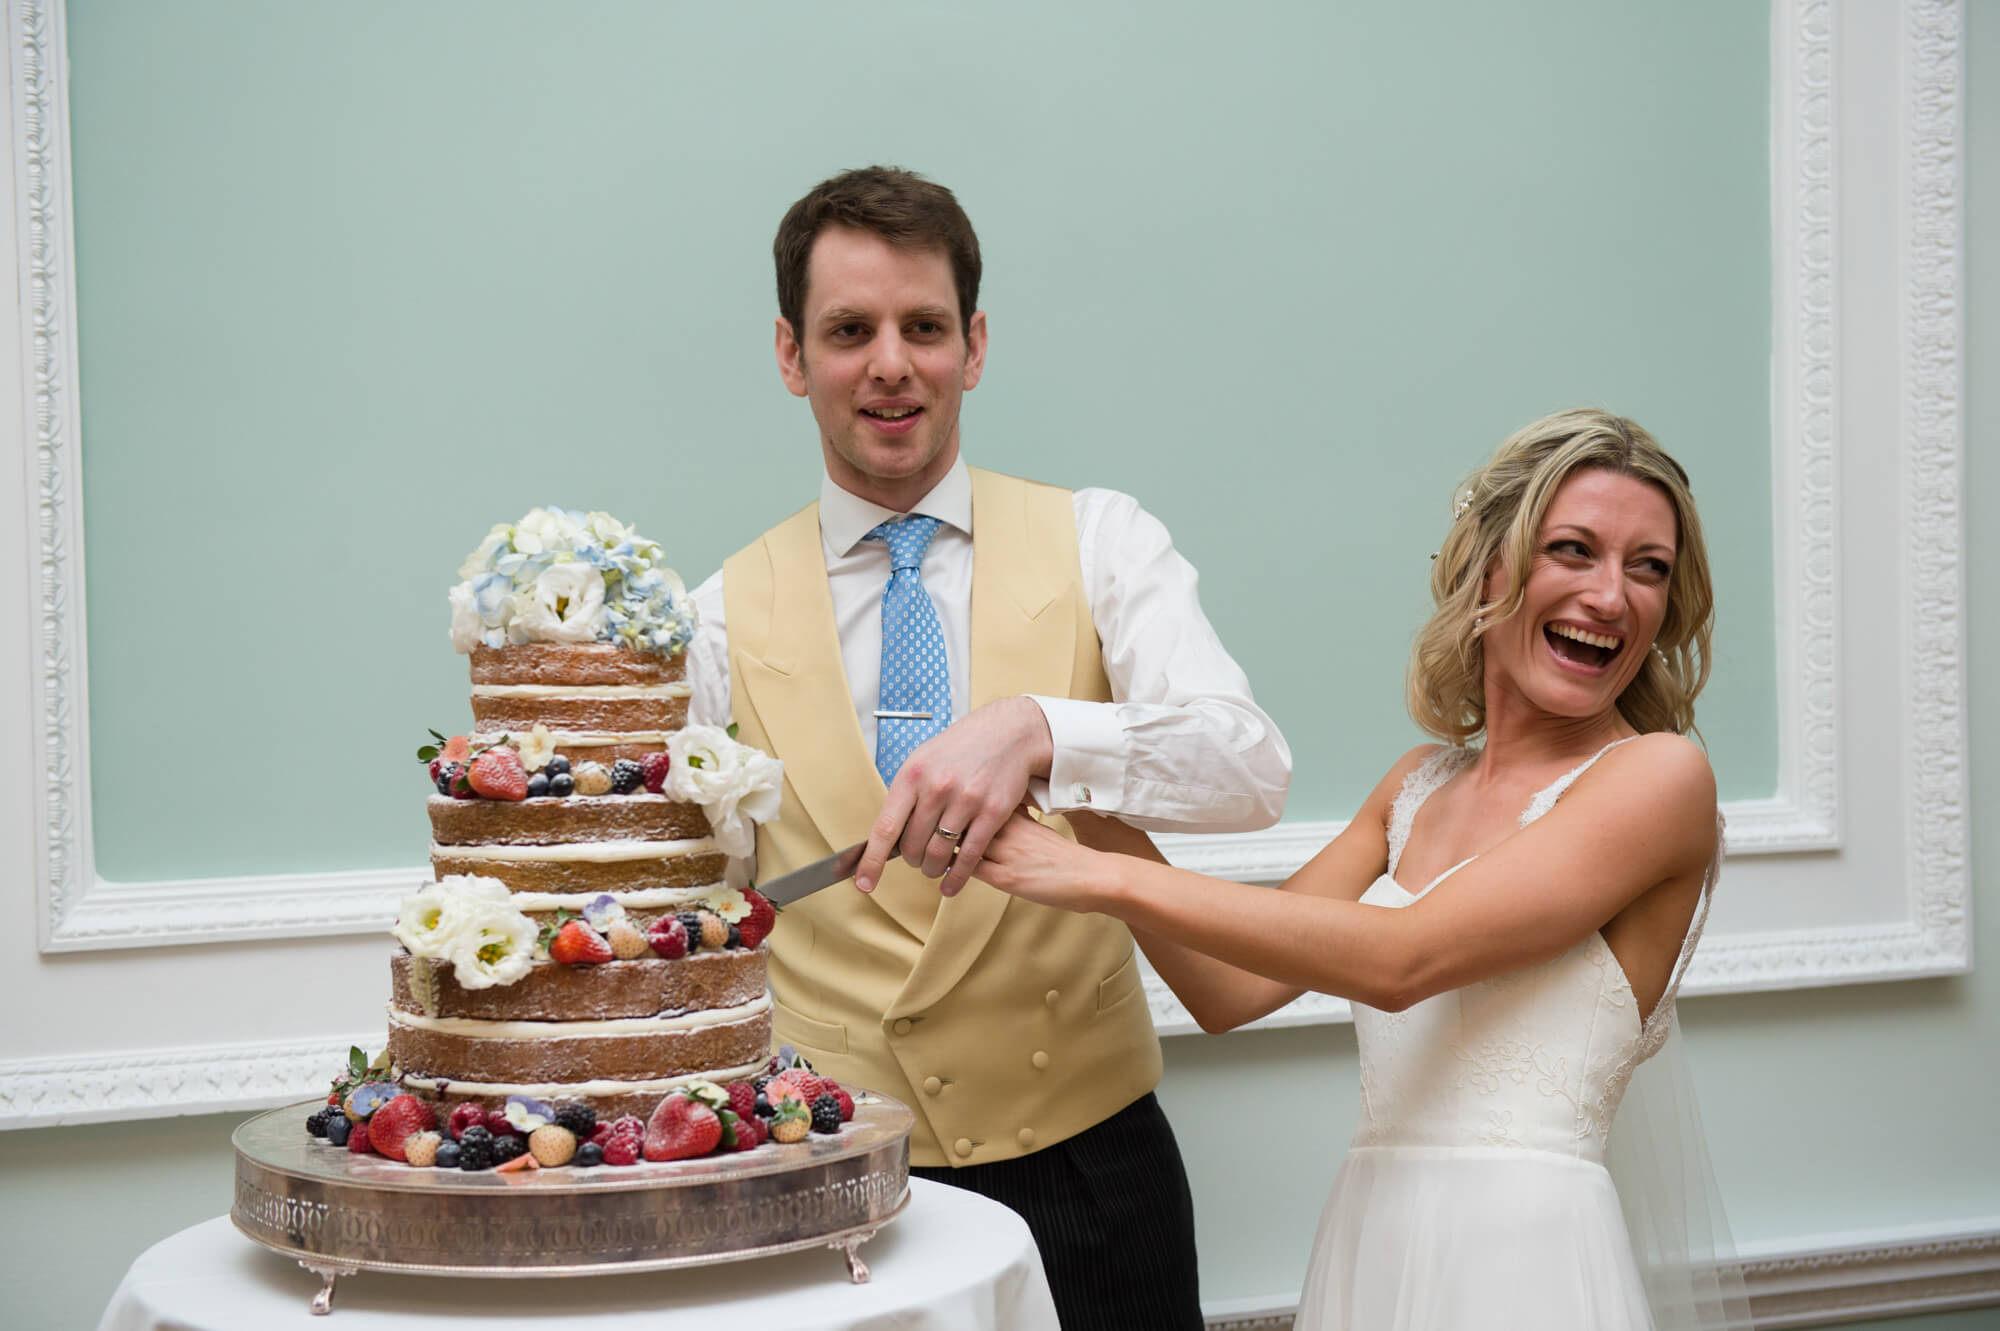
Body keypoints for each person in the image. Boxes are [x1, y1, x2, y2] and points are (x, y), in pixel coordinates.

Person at [978, 408, 1753, 1330]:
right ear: (1490, 567)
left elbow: (1402, 961)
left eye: (1649, 568)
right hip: (1373, 1245)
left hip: (1532, 1265)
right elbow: (1228, 989)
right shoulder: (1417, 785)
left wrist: (1099, 880)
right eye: (1574, 550)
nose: (1612, 596)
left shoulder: (1661, 778)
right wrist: (1072, 777)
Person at [685, 165, 1292, 1330]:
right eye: (848, 330)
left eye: (922, 326)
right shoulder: (712, 615)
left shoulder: (1102, 538)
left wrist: (1041, 727)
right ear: (788, 354)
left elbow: (1245, 766)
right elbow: (693, 918)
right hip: (832, 1190)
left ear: (972, 344)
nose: (889, 363)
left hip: (1093, 1175)